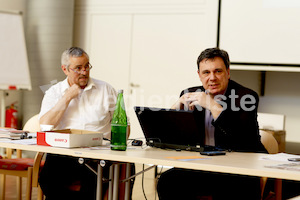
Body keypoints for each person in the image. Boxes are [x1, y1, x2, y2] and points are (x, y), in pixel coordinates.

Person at [157, 47, 267, 200]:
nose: (212, 78)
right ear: (199, 76)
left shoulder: (246, 97)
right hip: (203, 166)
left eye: (218, 71)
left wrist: (212, 104)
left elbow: (240, 136)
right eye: (206, 72)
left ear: (228, 73)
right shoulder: (189, 93)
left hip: (239, 169)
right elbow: (167, 136)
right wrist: (174, 109)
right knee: (167, 181)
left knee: (231, 189)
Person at [38, 47, 118, 200]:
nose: (84, 72)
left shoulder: (106, 90)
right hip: (64, 154)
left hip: (97, 155)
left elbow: (123, 126)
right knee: (47, 181)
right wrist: (66, 98)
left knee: (92, 186)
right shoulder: (54, 92)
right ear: (65, 69)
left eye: (87, 66)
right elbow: (45, 125)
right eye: (78, 68)